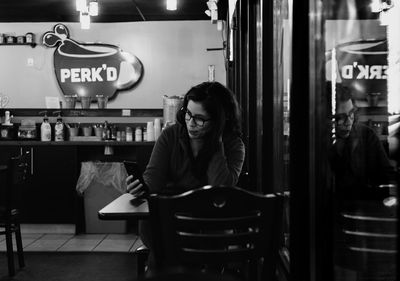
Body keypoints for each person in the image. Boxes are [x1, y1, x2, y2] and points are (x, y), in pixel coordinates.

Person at [126, 81, 245, 274]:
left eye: (200, 119)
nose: (190, 123)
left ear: (219, 121)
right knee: (165, 249)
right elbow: (152, 182)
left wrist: (215, 142)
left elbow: (221, 192)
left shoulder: (233, 145)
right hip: (168, 224)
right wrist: (139, 187)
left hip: (210, 229)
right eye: (188, 114)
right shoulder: (171, 135)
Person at [329, 83, 395, 199]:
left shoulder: (367, 136)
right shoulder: (317, 141)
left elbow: (386, 177)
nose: (348, 121)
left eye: (351, 114)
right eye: (341, 117)